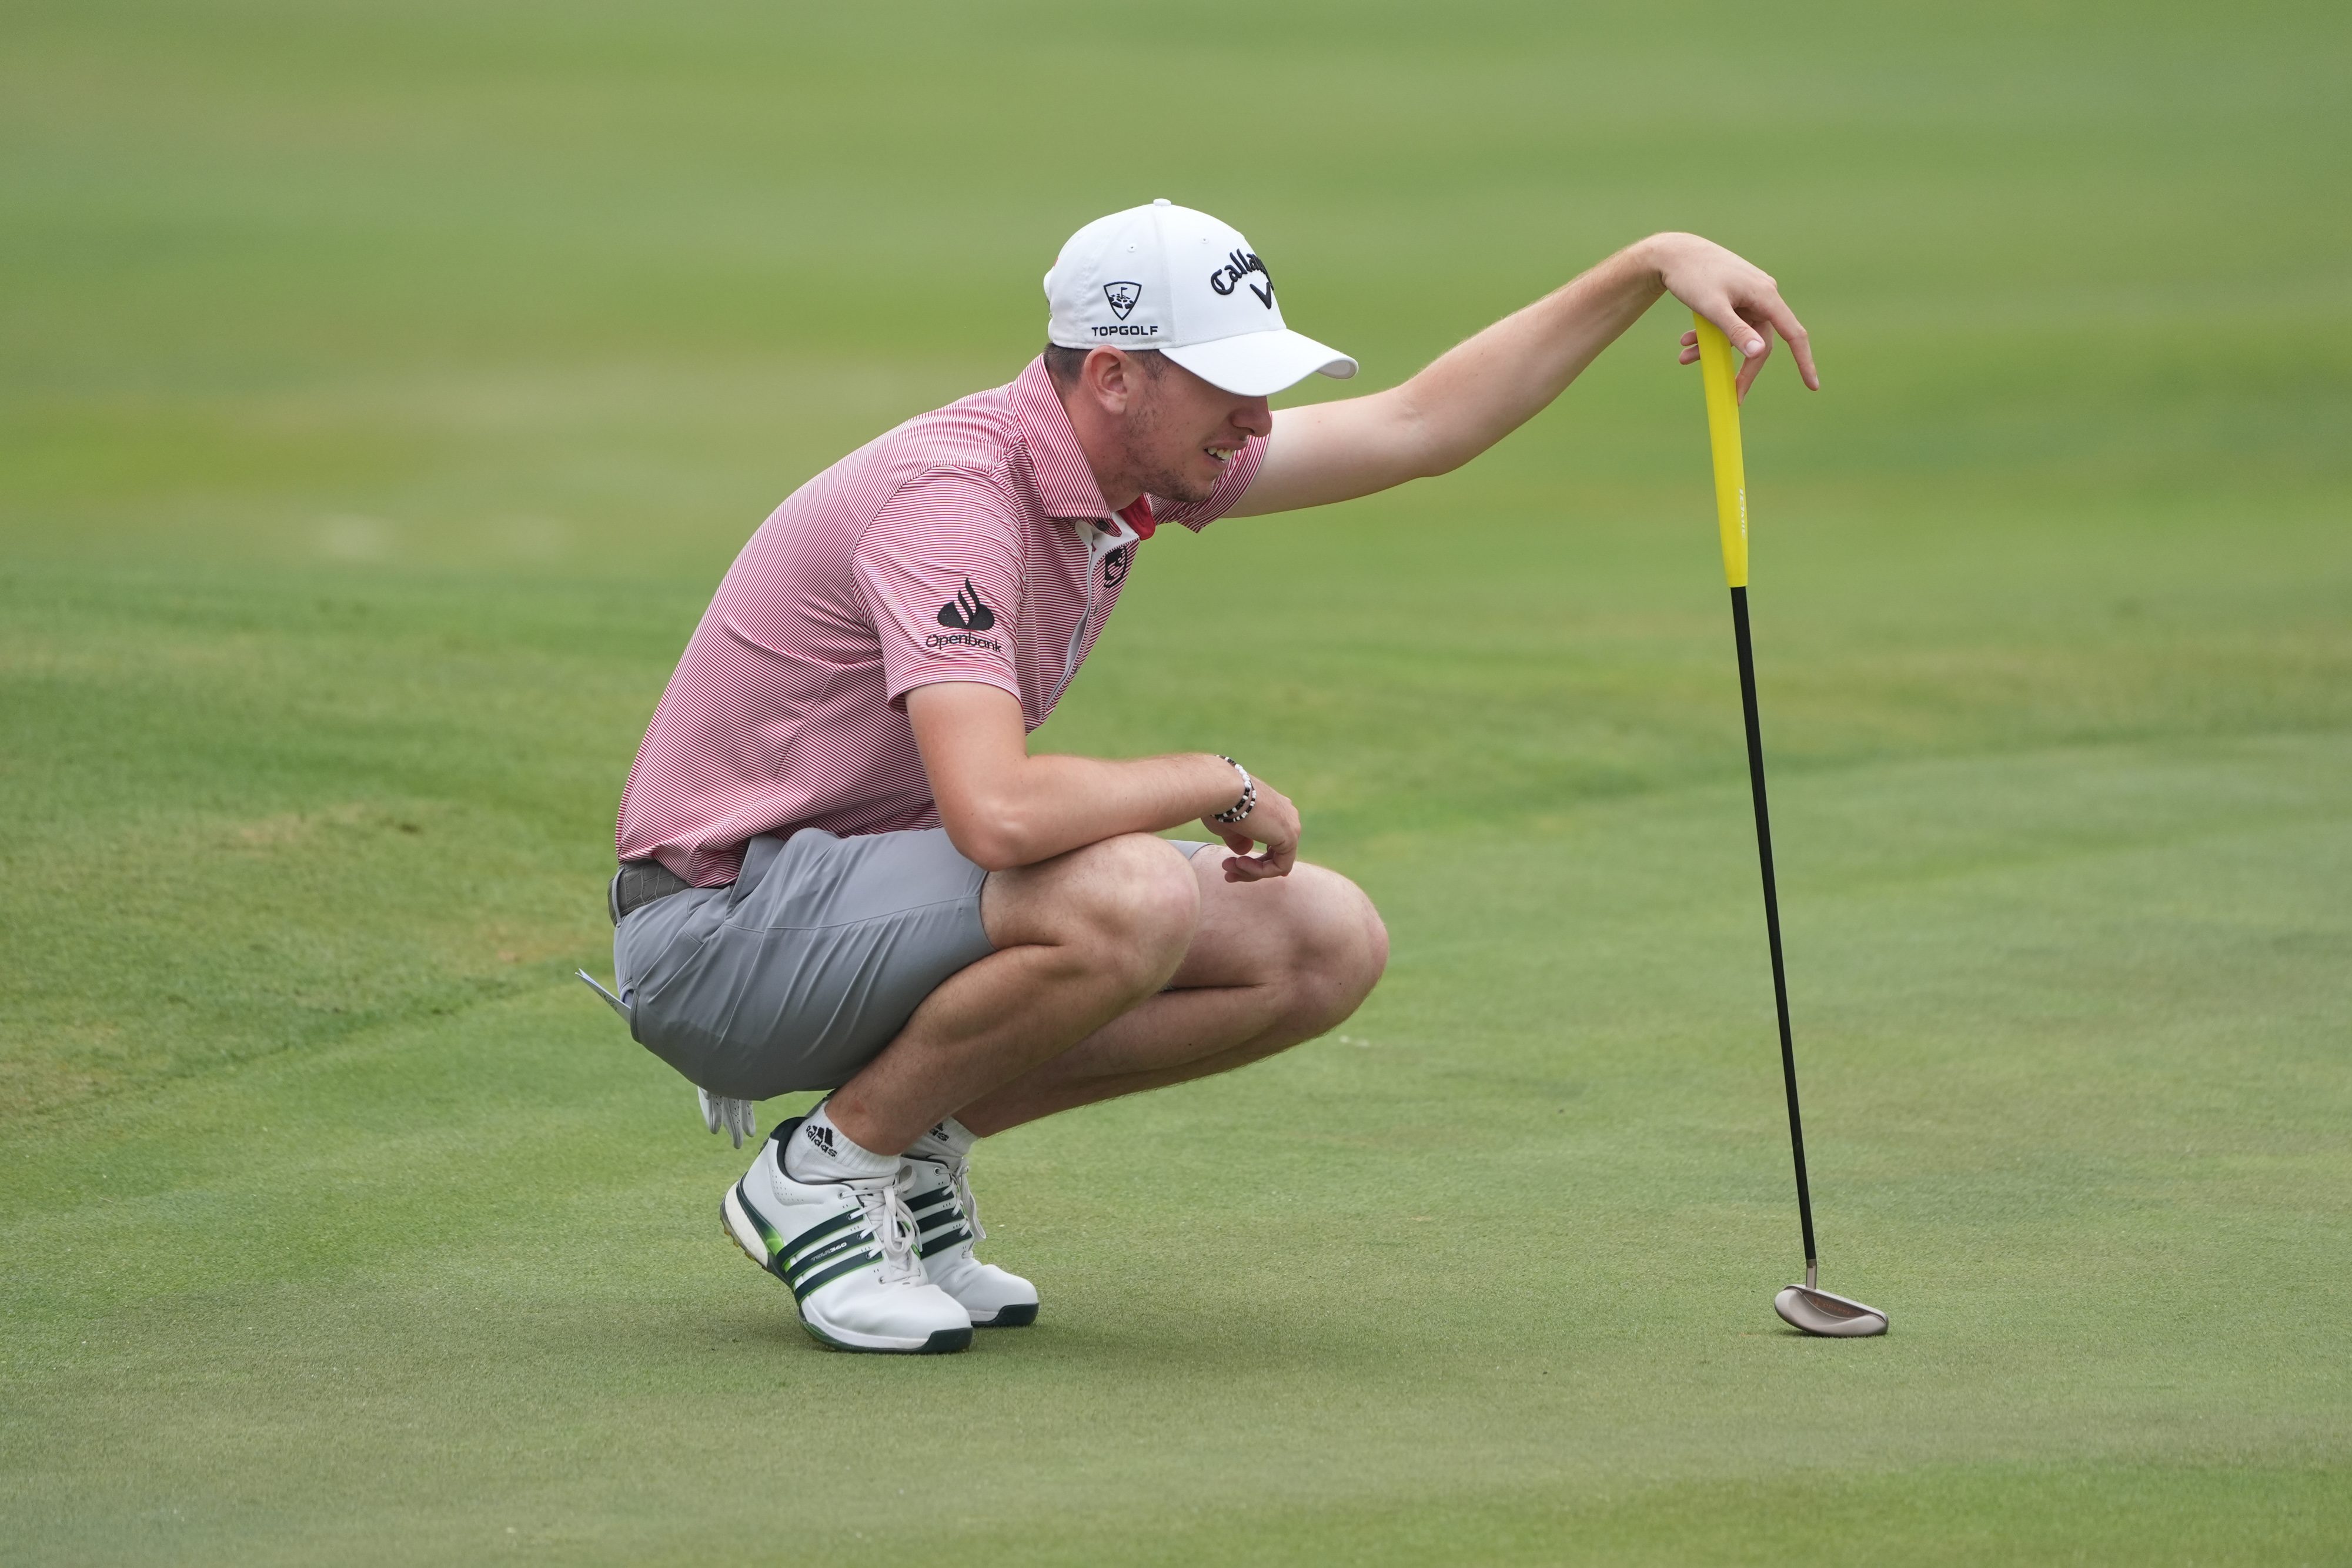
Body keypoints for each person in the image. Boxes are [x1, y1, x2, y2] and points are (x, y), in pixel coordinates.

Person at [597, 199, 1817, 1354]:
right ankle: (828, 1172)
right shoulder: (956, 499)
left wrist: (1644, 264)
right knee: (1126, 891)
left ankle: (906, 1147)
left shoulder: (1118, 466)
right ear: (1114, 374)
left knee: (1319, 937)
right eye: (1228, 386)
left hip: (853, 907)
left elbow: (1416, 428)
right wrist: (1207, 776)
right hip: (718, 933)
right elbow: (998, 811)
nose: (1257, 417)